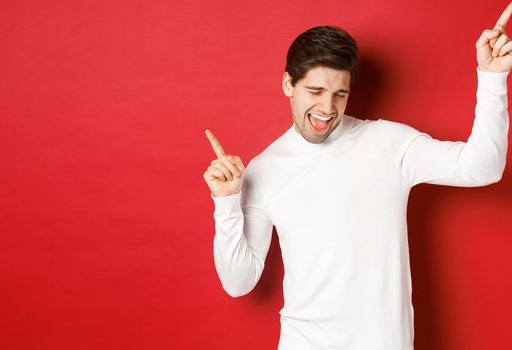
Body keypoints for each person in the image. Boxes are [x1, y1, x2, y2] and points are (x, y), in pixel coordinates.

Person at [202, 3, 512, 349]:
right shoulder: (265, 169)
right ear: (289, 84)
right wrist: (226, 203)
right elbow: (238, 282)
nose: (327, 108)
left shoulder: (389, 143)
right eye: (315, 92)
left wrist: (492, 78)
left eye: (339, 94)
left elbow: (483, 167)